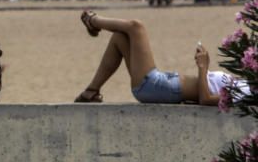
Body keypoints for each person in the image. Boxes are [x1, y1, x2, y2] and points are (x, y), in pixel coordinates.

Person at [74, 11, 246, 104]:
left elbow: (206, 99)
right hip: (165, 83)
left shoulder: (248, 94)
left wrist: (203, 67)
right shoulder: (248, 84)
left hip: (159, 88)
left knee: (136, 27)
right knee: (120, 37)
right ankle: (91, 91)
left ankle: (93, 21)